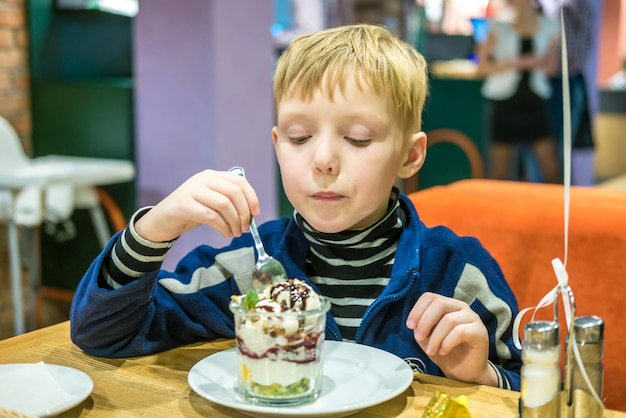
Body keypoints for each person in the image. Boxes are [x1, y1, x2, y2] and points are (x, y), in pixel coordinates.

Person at [70, 24, 522, 391]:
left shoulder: (457, 275)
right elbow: (104, 334)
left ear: (410, 155)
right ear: (277, 145)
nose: (322, 159)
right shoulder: (245, 269)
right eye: (300, 138)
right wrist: (154, 229)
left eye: (358, 138)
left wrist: (484, 375)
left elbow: (538, 390)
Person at [476, 0, 561, 183]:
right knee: (499, 172)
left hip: (535, 101)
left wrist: (539, 62)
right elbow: (481, 68)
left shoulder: (550, 26)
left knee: (552, 170)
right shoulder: (498, 26)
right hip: (504, 103)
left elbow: (551, 68)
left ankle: (557, 211)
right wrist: (517, 63)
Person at [546, 0, 597, 185]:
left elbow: (577, 56)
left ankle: (564, 202)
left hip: (567, 81)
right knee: (546, 147)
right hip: (547, 82)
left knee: (561, 146)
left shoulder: (577, 10)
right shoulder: (545, 9)